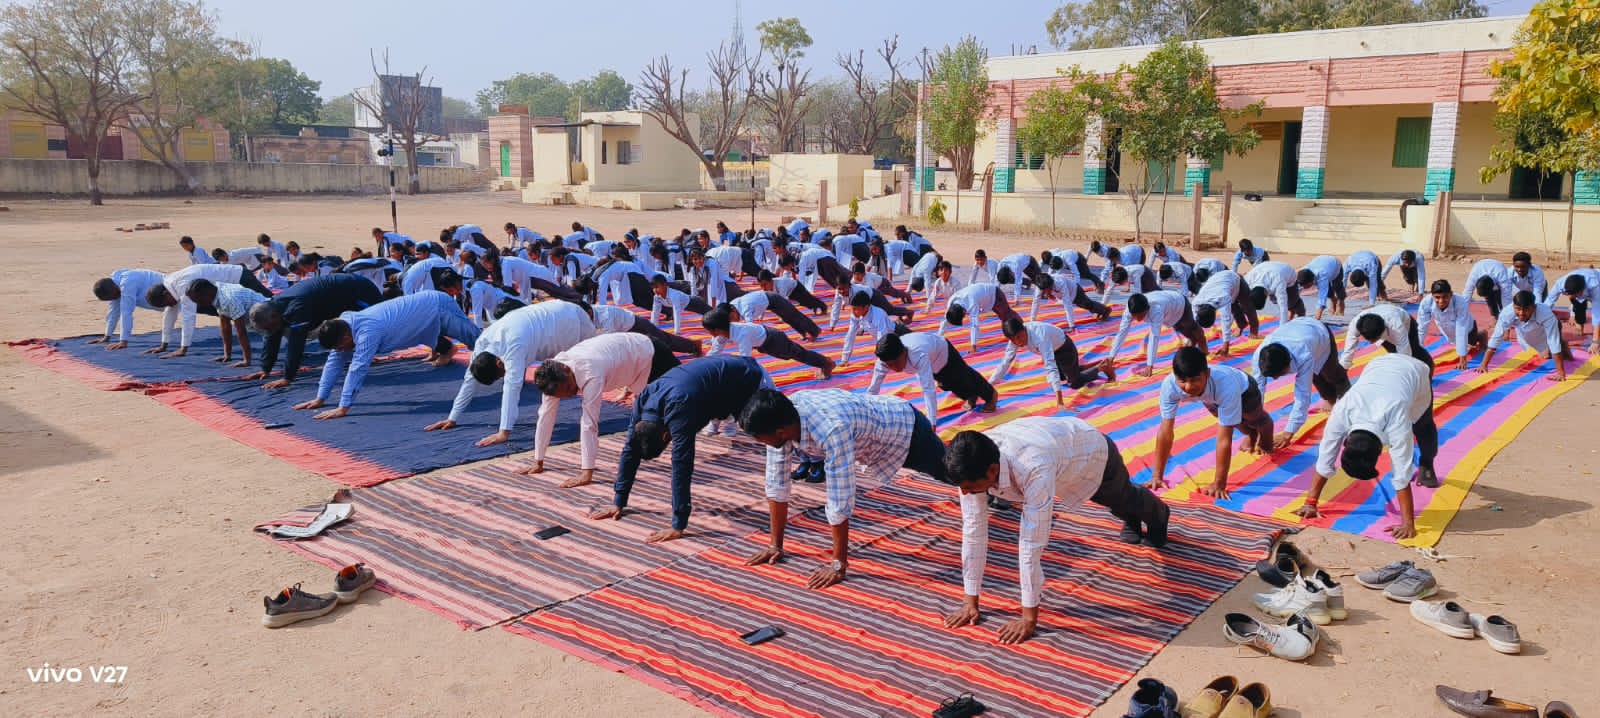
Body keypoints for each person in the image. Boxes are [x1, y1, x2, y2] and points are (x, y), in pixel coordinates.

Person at [939, 417, 1170, 644]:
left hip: (1089, 452)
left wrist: (1029, 619)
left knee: (1120, 497)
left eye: (969, 487)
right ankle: (1130, 517)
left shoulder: (1031, 466)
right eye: (962, 487)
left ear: (992, 470)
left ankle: (1159, 515)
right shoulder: (972, 464)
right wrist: (970, 602)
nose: (965, 493)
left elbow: (1031, 544)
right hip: (1054, 451)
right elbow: (973, 532)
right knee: (1119, 504)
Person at [739, 388, 947, 589]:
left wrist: (838, 564)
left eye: (759, 438)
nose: (760, 442)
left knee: (952, 473)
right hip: (875, 437)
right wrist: (775, 545)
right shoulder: (782, 418)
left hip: (906, 431)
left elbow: (840, 497)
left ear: (780, 433)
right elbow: (776, 483)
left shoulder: (831, 428)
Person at [586, 355, 772, 542]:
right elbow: (629, 450)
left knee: (773, 434)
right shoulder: (644, 399)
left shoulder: (680, 408)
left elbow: (682, 464)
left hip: (751, 377)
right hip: (720, 383)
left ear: (666, 436)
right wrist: (618, 501)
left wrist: (678, 525)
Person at [1294, 353, 1438, 539]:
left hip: (1416, 371)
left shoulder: (1398, 423)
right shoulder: (1341, 412)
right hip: (1378, 363)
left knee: (1423, 426)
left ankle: (1427, 462)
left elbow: (1402, 474)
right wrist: (1310, 503)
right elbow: (1325, 458)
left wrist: (1408, 524)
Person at [425, 299, 595, 446]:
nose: (505, 376)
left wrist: (503, 432)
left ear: (499, 363)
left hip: (567, 321)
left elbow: (511, 388)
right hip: (555, 314)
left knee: (587, 367)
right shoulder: (482, 344)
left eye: (502, 374)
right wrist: (452, 417)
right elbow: (469, 381)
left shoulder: (514, 345)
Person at [521, 332, 681, 486]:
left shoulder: (590, 374)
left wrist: (586, 472)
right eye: (562, 395)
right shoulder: (551, 377)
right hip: (629, 360)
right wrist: (538, 461)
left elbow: (589, 424)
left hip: (651, 354)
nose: (570, 395)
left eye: (569, 388)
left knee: (679, 405)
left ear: (567, 370)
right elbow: (545, 416)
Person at [294, 290, 480, 420]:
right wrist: (320, 398)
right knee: (425, 332)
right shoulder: (344, 325)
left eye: (340, 347)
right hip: (418, 320)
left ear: (346, 337)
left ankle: (497, 364)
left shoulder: (367, 332)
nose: (341, 351)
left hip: (437, 305)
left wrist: (343, 407)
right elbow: (333, 362)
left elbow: (358, 368)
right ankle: (448, 350)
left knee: (477, 341)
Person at [1151, 346, 1277, 500]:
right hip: (1211, 397)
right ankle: (1251, 434)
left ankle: (1266, 442)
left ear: (1207, 373)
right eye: (1182, 381)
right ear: (1175, 376)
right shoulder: (1169, 386)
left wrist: (1219, 484)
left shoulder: (1226, 385)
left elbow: (1224, 439)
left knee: (1255, 419)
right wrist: (1157, 476)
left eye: (1194, 380)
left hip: (1245, 389)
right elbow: (1165, 432)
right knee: (1235, 421)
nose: (1188, 387)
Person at [244, 275, 385, 389]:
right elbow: (272, 336)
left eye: (271, 326)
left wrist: (288, 377)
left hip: (360, 291)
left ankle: (367, 354)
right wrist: (266, 369)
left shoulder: (297, 306)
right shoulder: (273, 308)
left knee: (377, 325)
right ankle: (364, 353)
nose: (272, 330)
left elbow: (296, 343)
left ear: (274, 316)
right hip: (339, 298)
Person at [1254, 317, 1351, 449]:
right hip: (1299, 331)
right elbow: (1256, 393)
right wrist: (1256, 430)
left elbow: (1302, 396)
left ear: (1289, 362)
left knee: (1332, 374)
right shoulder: (1260, 357)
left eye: (1279, 374)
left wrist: (1288, 433)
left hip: (1319, 333)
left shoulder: (1303, 355)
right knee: (1315, 376)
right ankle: (1330, 398)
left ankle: (1350, 405)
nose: (1276, 379)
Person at [143, 263, 273, 359]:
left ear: (165, 294)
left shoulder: (183, 285)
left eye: (166, 302)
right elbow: (169, 313)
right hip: (223, 291)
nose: (170, 305)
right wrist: (164, 344)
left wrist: (183, 349)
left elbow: (188, 316)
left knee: (273, 304)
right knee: (230, 316)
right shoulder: (169, 284)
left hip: (240, 278)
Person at [867, 331, 996, 419]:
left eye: (895, 363)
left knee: (963, 376)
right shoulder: (883, 360)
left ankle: (990, 396)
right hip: (933, 363)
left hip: (943, 352)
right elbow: (873, 388)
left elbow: (928, 389)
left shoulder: (918, 354)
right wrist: (866, 409)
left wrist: (932, 421)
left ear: (904, 352)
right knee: (947, 384)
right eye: (889, 365)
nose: (893, 368)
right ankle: (970, 395)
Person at [992, 318, 1111, 407]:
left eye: (1019, 337)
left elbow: (1050, 366)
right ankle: (1086, 366)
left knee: (1075, 383)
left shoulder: (1039, 336)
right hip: (1053, 351)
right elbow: (1005, 362)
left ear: (1024, 329)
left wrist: (1059, 400)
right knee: (1061, 377)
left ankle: (1101, 367)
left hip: (1065, 350)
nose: (1018, 342)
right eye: (1013, 340)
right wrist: (990, 385)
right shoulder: (1014, 339)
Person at [701, 305, 836, 379]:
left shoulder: (742, 334)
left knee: (799, 354)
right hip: (765, 342)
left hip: (773, 339)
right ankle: (824, 362)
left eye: (709, 330)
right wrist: (702, 365)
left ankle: (826, 363)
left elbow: (745, 360)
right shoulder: (722, 334)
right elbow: (715, 352)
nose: (709, 334)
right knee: (797, 353)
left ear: (717, 329)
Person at [1100, 290, 1208, 378]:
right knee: (1181, 329)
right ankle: (1193, 341)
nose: (1137, 319)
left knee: (1190, 326)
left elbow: (1154, 337)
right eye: (1134, 316)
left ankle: (1203, 346)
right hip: (1169, 312)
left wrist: (1149, 365)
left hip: (1180, 304)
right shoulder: (1128, 311)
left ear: (1147, 309)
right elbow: (1122, 333)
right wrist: (1111, 356)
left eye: (1140, 316)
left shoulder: (1156, 310)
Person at [1479, 290, 1573, 382]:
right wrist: (1484, 364)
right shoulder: (1507, 313)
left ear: (1534, 307)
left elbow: (1553, 340)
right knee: (1542, 353)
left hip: (1543, 333)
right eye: (1518, 309)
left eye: (1526, 309)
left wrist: (1561, 373)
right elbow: (1496, 337)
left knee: (1555, 348)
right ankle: (1549, 349)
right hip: (1524, 335)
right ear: (1513, 306)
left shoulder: (1545, 313)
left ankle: (1561, 345)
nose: (1521, 313)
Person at [185, 279, 268, 368]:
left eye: (199, 300)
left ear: (206, 294)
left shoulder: (228, 300)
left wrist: (246, 360)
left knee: (272, 343)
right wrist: (227, 355)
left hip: (269, 316)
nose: (199, 305)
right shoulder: (217, 292)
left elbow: (241, 331)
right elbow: (225, 327)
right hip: (259, 318)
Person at [1340, 303, 1432, 371]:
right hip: (1386, 328)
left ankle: (1428, 371)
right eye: (1369, 340)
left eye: (1374, 339)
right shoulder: (1355, 324)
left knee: (1415, 352)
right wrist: (1343, 368)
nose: (1371, 343)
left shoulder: (1397, 326)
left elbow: (1404, 356)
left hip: (1407, 325)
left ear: (1382, 330)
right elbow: (1349, 348)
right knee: (1394, 354)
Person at [1418, 280, 1486, 372]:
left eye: (1445, 297)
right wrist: (1418, 352)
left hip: (1468, 328)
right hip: (1447, 330)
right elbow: (1421, 328)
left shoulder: (1460, 302)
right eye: (1437, 297)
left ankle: (1481, 334)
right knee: (1456, 342)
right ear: (1432, 295)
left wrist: (1462, 358)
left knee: (1471, 343)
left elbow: (1461, 329)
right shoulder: (1426, 303)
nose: (1441, 301)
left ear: (1451, 294)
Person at [89, 269, 166, 350]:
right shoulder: (115, 287)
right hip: (162, 303)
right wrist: (107, 336)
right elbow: (113, 312)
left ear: (115, 287)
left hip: (168, 294)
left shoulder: (127, 283)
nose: (117, 298)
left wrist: (123, 341)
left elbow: (126, 313)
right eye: (113, 298)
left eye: (116, 295)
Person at [939, 282, 1023, 354]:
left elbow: (974, 325)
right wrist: (939, 337)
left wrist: (973, 345)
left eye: (963, 316)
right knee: (1005, 318)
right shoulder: (951, 302)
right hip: (987, 298)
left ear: (963, 312)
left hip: (996, 295)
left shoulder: (971, 303)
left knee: (1007, 317)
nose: (964, 317)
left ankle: (1022, 328)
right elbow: (946, 320)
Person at [1192, 269, 1259, 357]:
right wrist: (1193, 338)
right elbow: (1194, 323)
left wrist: (1225, 346)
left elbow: (1226, 321)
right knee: (1233, 306)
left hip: (1234, 278)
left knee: (1247, 305)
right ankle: (1242, 324)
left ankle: (1254, 329)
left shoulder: (1223, 298)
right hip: (1220, 283)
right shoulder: (1196, 303)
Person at [837, 291, 912, 367]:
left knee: (911, 353)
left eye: (855, 309)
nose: (853, 312)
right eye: (852, 309)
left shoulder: (878, 314)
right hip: (888, 340)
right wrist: (844, 359)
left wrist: (881, 359)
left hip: (898, 334)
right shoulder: (855, 315)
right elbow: (850, 335)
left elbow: (882, 336)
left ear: (866, 307)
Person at [728, 285, 822, 340]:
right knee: (787, 318)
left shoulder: (745, 308)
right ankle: (803, 333)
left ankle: (815, 331)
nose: (734, 321)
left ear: (733, 310)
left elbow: (750, 326)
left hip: (773, 298)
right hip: (769, 302)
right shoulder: (732, 305)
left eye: (732, 318)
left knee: (793, 315)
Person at [1545, 268, 1600, 353]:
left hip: (1597, 280)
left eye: (1576, 295)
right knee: (1577, 302)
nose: (1573, 297)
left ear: (1582, 290)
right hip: (1581, 286)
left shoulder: (1594, 286)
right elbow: (1548, 304)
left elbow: (1597, 312)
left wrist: (1595, 341)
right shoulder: (1560, 285)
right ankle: (1579, 323)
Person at [1244, 260, 1304, 329]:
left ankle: (1301, 315)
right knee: (1275, 300)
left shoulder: (1278, 283)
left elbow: (1283, 306)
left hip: (1288, 273)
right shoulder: (1248, 280)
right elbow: (1242, 302)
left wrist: (1282, 328)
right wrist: (1242, 324)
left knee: (1291, 302)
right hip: (1267, 269)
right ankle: (1291, 311)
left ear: (1266, 294)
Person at [756, 269, 828, 315]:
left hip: (797, 287)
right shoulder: (767, 289)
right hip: (790, 292)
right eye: (761, 285)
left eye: (765, 284)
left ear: (771, 280)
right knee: (804, 303)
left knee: (808, 299)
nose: (763, 288)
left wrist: (783, 316)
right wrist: (760, 316)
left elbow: (782, 302)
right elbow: (764, 302)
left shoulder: (781, 284)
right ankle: (814, 306)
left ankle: (823, 307)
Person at [1296, 255, 1347, 320]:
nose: (1304, 288)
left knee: (1337, 286)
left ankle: (1341, 303)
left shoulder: (1322, 276)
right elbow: (1294, 293)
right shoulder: (1302, 274)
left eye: (1306, 286)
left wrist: (1316, 319)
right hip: (1321, 263)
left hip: (1335, 265)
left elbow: (1322, 297)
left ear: (1312, 281)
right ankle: (1333, 300)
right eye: (1302, 285)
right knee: (1328, 292)